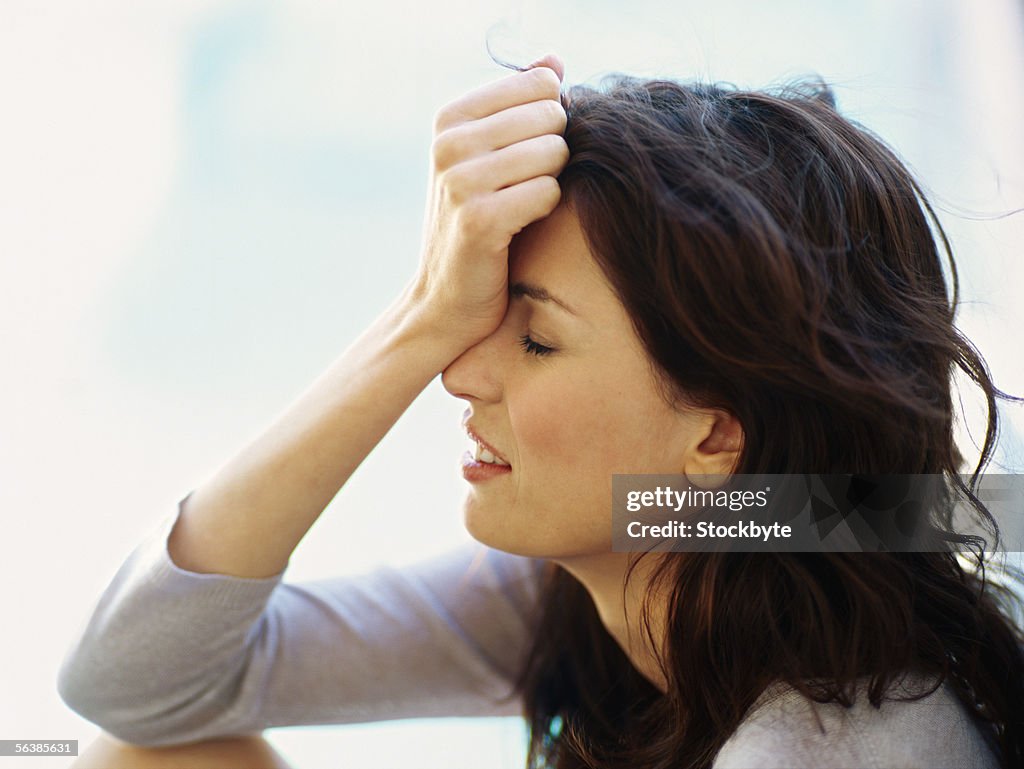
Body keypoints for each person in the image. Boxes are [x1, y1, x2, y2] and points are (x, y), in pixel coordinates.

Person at [58, 52, 1024, 769]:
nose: (460, 373)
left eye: (535, 337)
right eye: (470, 321)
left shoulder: (819, 746)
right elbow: (139, 688)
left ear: (715, 436)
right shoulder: (653, 552)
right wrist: (417, 317)